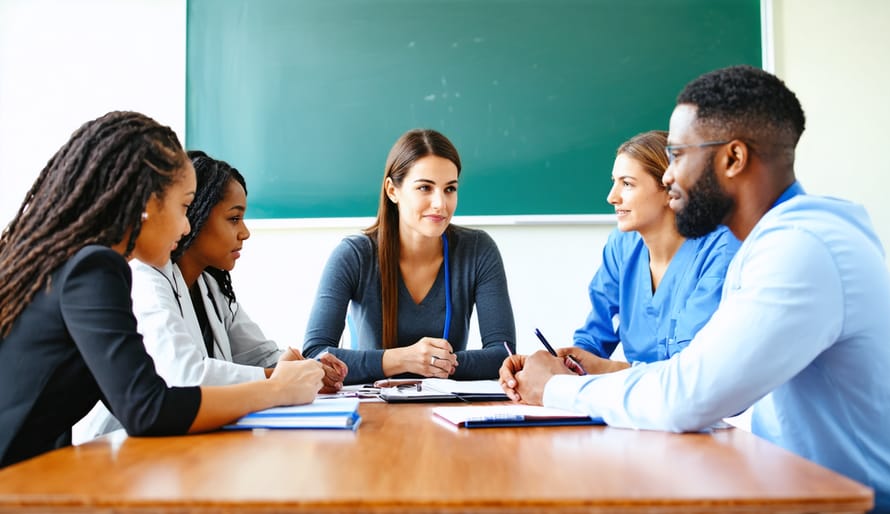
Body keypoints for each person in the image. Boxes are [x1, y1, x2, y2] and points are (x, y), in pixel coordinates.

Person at [499, 65, 890, 512]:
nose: (668, 177)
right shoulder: (772, 243)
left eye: (677, 155)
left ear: (732, 159)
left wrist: (553, 389)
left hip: (849, 504)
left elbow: (687, 397)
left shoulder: (800, 250)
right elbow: (692, 373)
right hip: (788, 486)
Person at [0, 111, 324, 468]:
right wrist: (275, 390)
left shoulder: (82, 263)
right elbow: (147, 409)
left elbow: (147, 398)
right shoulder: (95, 267)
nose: (187, 227)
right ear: (146, 204)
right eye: (184, 206)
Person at [74, 151, 348, 442]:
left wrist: (306, 366)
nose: (245, 232)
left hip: (190, 443)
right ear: (195, 213)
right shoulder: (146, 278)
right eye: (233, 218)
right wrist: (281, 380)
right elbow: (185, 376)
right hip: (122, 448)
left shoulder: (211, 285)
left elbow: (258, 356)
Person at [302, 128, 516, 384]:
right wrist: (404, 359)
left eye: (450, 189)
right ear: (393, 191)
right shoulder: (353, 255)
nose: (440, 204)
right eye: (425, 187)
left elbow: (504, 355)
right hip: (372, 410)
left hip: (448, 410)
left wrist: (433, 364)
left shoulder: (478, 250)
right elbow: (315, 355)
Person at [557, 130, 739, 374]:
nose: (612, 197)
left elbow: (691, 374)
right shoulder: (622, 246)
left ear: (670, 189)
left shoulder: (719, 250)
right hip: (634, 404)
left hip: (703, 408)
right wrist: (563, 363)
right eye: (614, 182)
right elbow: (595, 338)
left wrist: (611, 370)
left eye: (627, 184)